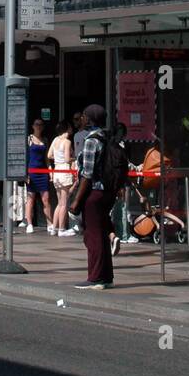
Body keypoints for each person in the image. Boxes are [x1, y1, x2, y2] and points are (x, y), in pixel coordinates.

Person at [68, 105, 124, 289]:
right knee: (100, 233)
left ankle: (95, 277)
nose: (81, 119)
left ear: (90, 119)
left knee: (93, 237)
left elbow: (88, 174)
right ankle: (106, 277)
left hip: (94, 193)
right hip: (107, 192)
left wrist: (76, 201)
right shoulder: (107, 136)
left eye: (83, 116)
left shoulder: (91, 140)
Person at [48, 120, 77, 236]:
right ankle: (61, 229)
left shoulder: (55, 140)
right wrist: (73, 158)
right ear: (67, 129)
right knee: (64, 203)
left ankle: (54, 228)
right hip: (64, 170)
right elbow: (66, 159)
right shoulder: (67, 142)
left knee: (59, 203)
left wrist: (57, 158)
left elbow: (49, 155)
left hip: (56, 170)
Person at [24, 118, 53, 234]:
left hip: (43, 172)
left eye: (41, 124)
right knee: (30, 198)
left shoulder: (45, 140)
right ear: (32, 126)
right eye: (36, 124)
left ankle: (49, 223)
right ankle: (29, 223)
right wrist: (25, 173)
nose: (39, 126)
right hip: (31, 171)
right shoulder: (29, 139)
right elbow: (25, 156)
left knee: (46, 199)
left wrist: (50, 170)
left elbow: (46, 158)